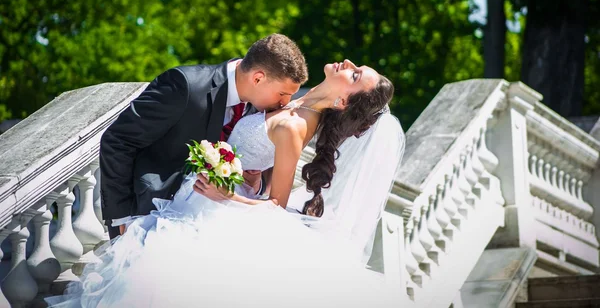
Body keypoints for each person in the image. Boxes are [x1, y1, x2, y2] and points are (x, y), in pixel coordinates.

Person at [48, 59, 405, 308]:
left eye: (356, 75)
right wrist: (253, 172)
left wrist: (227, 194)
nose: (348, 64)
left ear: (343, 101)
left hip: (211, 207)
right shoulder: (297, 102)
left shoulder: (297, 126)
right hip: (196, 196)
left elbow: (276, 207)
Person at [99, 34, 308, 239]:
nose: (285, 103)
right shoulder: (185, 86)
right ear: (258, 78)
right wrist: (122, 218)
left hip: (208, 228)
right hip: (149, 219)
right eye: (283, 94)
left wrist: (256, 184)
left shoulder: (261, 109)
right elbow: (118, 140)